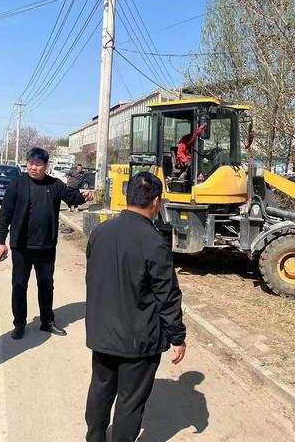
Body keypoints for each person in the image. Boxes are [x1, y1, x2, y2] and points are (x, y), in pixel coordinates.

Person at [85, 171, 186, 442]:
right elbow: (167, 295)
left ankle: (94, 438)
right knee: (130, 403)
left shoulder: (100, 231)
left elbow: (91, 278)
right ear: (155, 202)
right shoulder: (154, 241)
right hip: (137, 340)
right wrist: (177, 337)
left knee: (100, 389)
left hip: (102, 332)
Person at [0, 147, 92, 340]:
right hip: (21, 246)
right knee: (19, 285)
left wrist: (84, 197)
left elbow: (72, 196)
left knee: (46, 284)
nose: (33, 167)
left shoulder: (54, 185)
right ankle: (19, 324)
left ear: (46, 166)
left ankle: (47, 321)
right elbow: (5, 213)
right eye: (31, 163)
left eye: (38, 164)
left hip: (46, 247)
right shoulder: (18, 184)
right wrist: (0, 240)